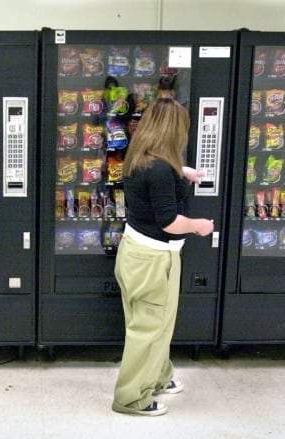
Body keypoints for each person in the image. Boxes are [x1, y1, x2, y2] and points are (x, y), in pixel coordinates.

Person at [111, 96, 214, 416]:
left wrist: (181, 171)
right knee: (149, 328)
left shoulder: (140, 156)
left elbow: (156, 176)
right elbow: (169, 222)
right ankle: (130, 398)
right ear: (172, 130)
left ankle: (157, 376)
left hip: (138, 252)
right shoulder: (157, 169)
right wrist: (199, 226)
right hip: (153, 259)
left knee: (154, 322)